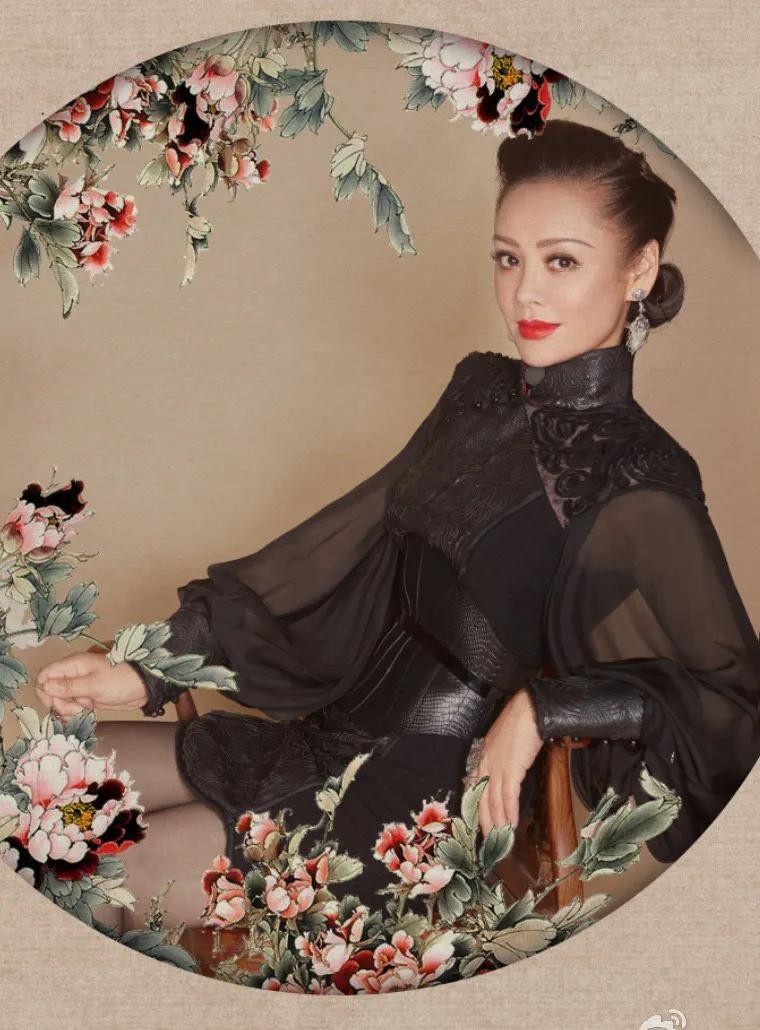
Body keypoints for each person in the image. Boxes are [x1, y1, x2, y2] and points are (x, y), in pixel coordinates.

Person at [34, 119, 760, 933]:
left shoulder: (641, 476)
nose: (525, 292)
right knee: (34, 787)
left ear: (640, 270)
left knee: (97, 881)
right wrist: (151, 670)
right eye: (508, 258)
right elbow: (341, 549)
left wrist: (545, 709)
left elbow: (733, 701)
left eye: (561, 261)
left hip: (417, 810)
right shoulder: (479, 394)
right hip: (325, 736)